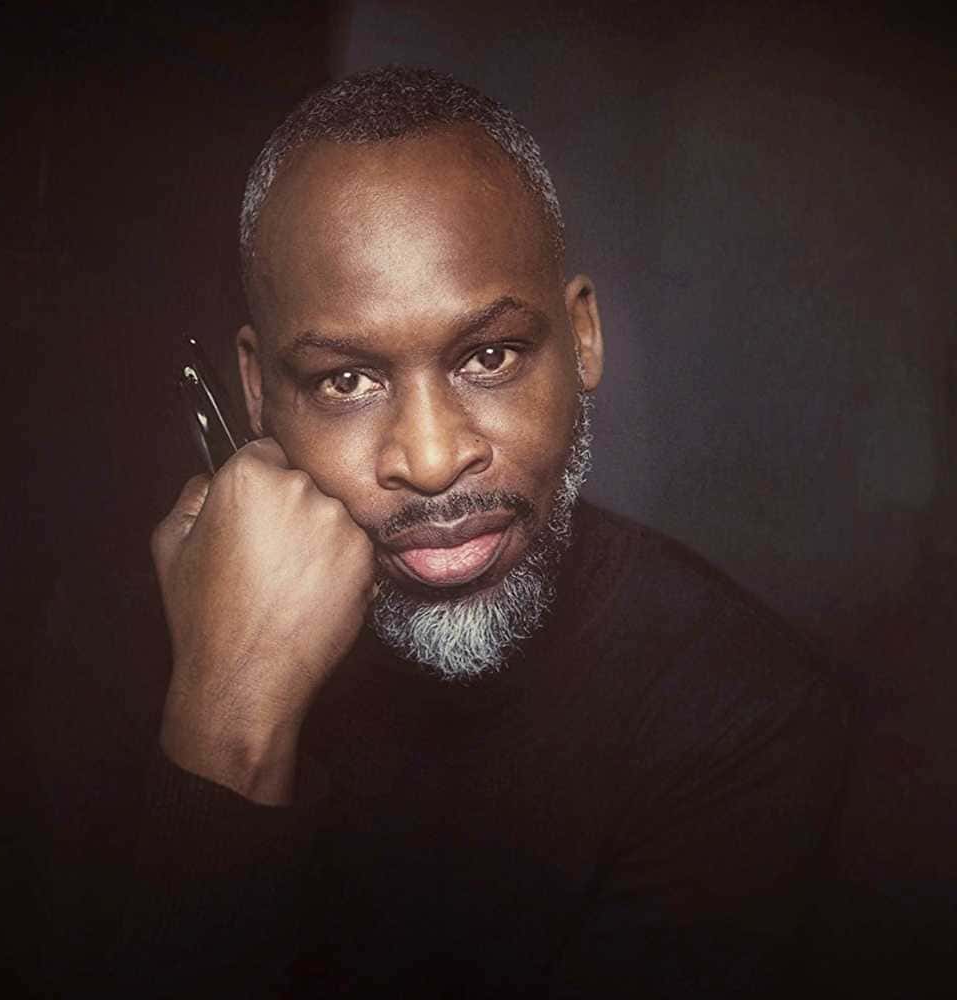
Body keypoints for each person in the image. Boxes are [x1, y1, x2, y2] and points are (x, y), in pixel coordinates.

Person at [100, 66, 846, 997]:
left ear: (581, 339)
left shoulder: (744, 716)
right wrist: (226, 713)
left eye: (489, 356)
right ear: (256, 393)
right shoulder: (160, 648)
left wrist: (219, 738)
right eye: (346, 381)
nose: (430, 457)